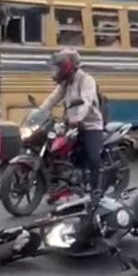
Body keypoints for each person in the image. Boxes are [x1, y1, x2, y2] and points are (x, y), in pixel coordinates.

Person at [39, 48, 104, 197]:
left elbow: (86, 102)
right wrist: (40, 112)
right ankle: (60, 182)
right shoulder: (66, 83)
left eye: (59, 67)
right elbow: (52, 99)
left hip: (90, 125)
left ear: (68, 67)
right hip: (71, 124)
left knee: (93, 157)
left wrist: (78, 118)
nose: (57, 71)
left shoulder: (86, 80)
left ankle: (96, 190)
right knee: (54, 148)